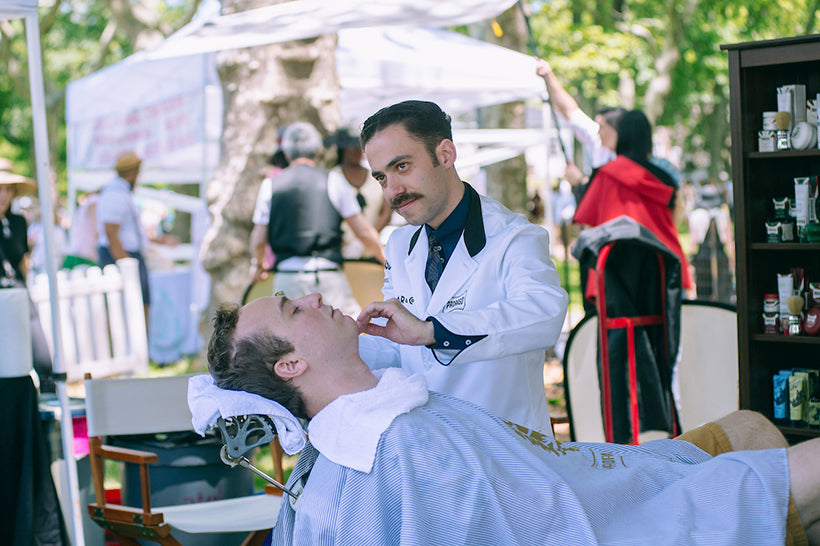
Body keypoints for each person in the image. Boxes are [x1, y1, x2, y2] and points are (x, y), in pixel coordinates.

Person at [205, 293, 820, 545]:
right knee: (763, 465)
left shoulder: (388, 409)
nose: (314, 297)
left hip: (616, 476)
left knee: (749, 427)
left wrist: (429, 331)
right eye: (293, 308)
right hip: (622, 522)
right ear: (290, 367)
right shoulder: (385, 454)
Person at [354, 100, 568, 436]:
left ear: (445, 155)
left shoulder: (515, 238)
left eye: (403, 166)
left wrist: (433, 331)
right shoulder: (399, 245)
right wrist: (334, 346)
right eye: (382, 177)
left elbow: (544, 314)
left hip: (510, 458)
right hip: (434, 454)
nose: (393, 191)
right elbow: (402, 351)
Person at [249, 122, 385, 317]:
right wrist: (383, 258)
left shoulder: (270, 185)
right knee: (346, 328)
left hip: (288, 276)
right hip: (327, 274)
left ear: (287, 154)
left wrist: (258, 265)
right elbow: (363, 231)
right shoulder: (334, 180)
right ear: (319, 152)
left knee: (290, 338)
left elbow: (259, 238)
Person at [573, 109, 695, 291]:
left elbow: (590, 227)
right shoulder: (666, 179)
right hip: (664, 266)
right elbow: (674, 220)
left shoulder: (606, 175)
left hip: (617, 274)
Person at [0, 158, 55, 392]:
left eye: (8, 189)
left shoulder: (18, 222)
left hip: (19, 293)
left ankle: (49, 411)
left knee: (42, 358)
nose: (4, 195)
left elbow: (22, 261)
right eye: (0, 189)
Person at [96, 151, 151, 325]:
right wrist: (127, 265)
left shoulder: (118, 192)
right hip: (122, 256)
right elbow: (112, 234)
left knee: (137, 305)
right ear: (133, 172)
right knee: (134, 305)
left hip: (124, 254)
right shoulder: (115, 194)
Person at [325, 126, 391, 261]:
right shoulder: (331, 178)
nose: (356, 151)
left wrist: (368, 237)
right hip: (341, 251)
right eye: (351, 146)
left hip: (373, 252)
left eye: (359, 146)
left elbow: (386, 212)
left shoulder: (377, 176)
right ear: (342, 149)